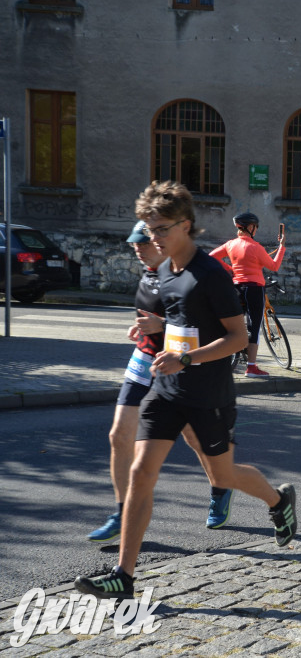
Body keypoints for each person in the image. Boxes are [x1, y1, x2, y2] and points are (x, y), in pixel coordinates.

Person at [74, 181, 297, 601]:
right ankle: (124, 575)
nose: (153, 238)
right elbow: (182, 328)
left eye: (161, 229)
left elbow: (237, 337)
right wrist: (155, 331)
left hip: (208, 392)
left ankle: (278, 500)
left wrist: (188, 359)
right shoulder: (163, 273)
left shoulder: (210, 274)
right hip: (167, 388)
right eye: (149, 229)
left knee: (222, 474)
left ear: (186, 225)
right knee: (141, 473)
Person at [87, 222, 228, 543]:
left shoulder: (182, 273)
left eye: (144, 243)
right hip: (144, 358)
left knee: (195, 438)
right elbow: (150, 312)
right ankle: (123, 512)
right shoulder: (148, 271)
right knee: (119, 435)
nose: (138, 248)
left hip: (177, 362)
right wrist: (142, 328)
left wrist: (160, 324)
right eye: (135, 243)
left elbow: (197, 325)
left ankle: (221, 487)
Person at [208, 213, 286, 378]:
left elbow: (211, 257)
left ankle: (228, 354)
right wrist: (282, 247)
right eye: (256, 227)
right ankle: (251, 367)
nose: (256, 230)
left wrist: (229, 269)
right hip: (254, 289)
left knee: (234, 323)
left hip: (236, 287)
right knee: (254, 327)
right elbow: (274, 266)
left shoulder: (230, 244)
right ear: (251, 227)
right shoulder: (256, 247)